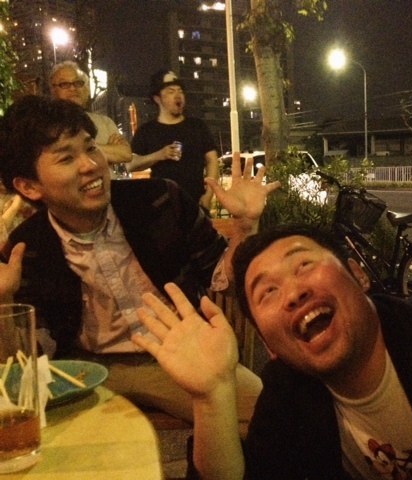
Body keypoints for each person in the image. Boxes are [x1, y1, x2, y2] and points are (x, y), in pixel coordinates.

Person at [0, 95, 279, 430]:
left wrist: (244, 226)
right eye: (66, 158)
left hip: (181, 352)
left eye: (90, 148)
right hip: (82, 371)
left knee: (272, 416)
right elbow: (28, 360)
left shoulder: (160, 200)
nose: (90, 165)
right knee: (30, 430)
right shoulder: (27, 247)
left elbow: (224, 278)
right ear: (29, 186)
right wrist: (3, 301)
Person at [132, 224, 412, 480]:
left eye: (304, 265)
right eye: (267, 292)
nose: (293, 293)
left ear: (358, 275)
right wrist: (212, 396)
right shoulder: (287, 391)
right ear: (270, 346)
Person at [130, 70, 219, 208]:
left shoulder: (197, 126)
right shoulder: (147, 131)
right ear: (157, 98)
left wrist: (209, 194)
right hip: (162, 205)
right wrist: (159, 155)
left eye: (180, 91)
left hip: (196, 202)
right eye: (171, 91)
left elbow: (212, 160)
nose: (178, 96)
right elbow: (130, 164)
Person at [49, 61, 132, 178]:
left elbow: (125, 154)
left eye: (78, 83)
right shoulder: (47, 124)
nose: (73, 88)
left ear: (87, 88)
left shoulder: (104, 122)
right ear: (52, 90)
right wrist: (109, 150)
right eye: (64, 84)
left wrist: (74, 150)